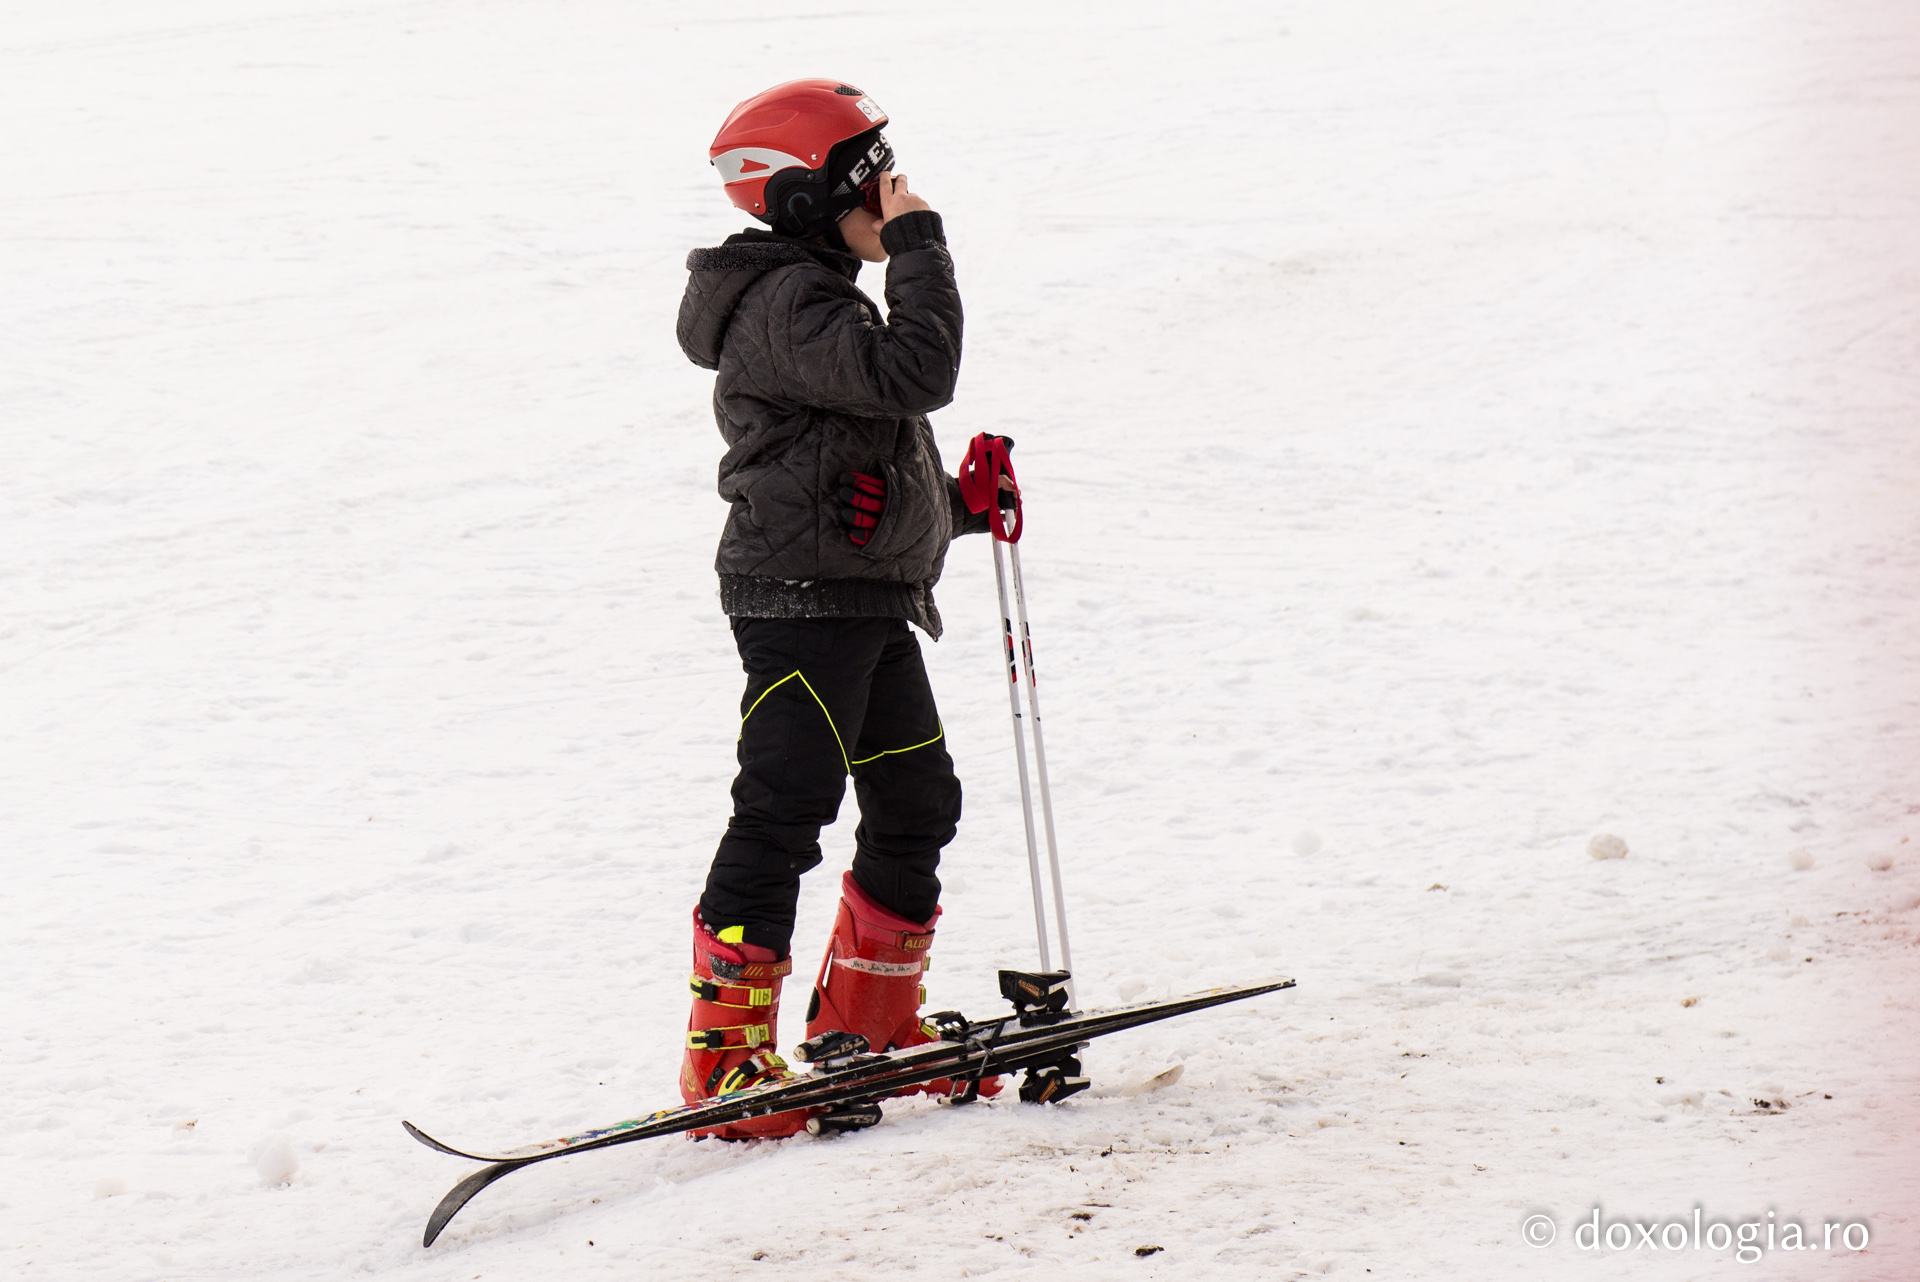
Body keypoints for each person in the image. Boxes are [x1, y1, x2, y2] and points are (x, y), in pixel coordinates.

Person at [674, 79, 1009, 1137]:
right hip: (800, 606)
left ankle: (868, 1022)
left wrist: (957, 506)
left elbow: (853, 463)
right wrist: (920, 247)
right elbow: (919, 372)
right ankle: (723, 1056)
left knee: (917, 803)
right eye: (872, 183)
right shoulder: (789, 304)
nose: (895, 195)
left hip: (859, 596)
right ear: (804, 203)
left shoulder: (818, 301)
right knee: (786, 808)